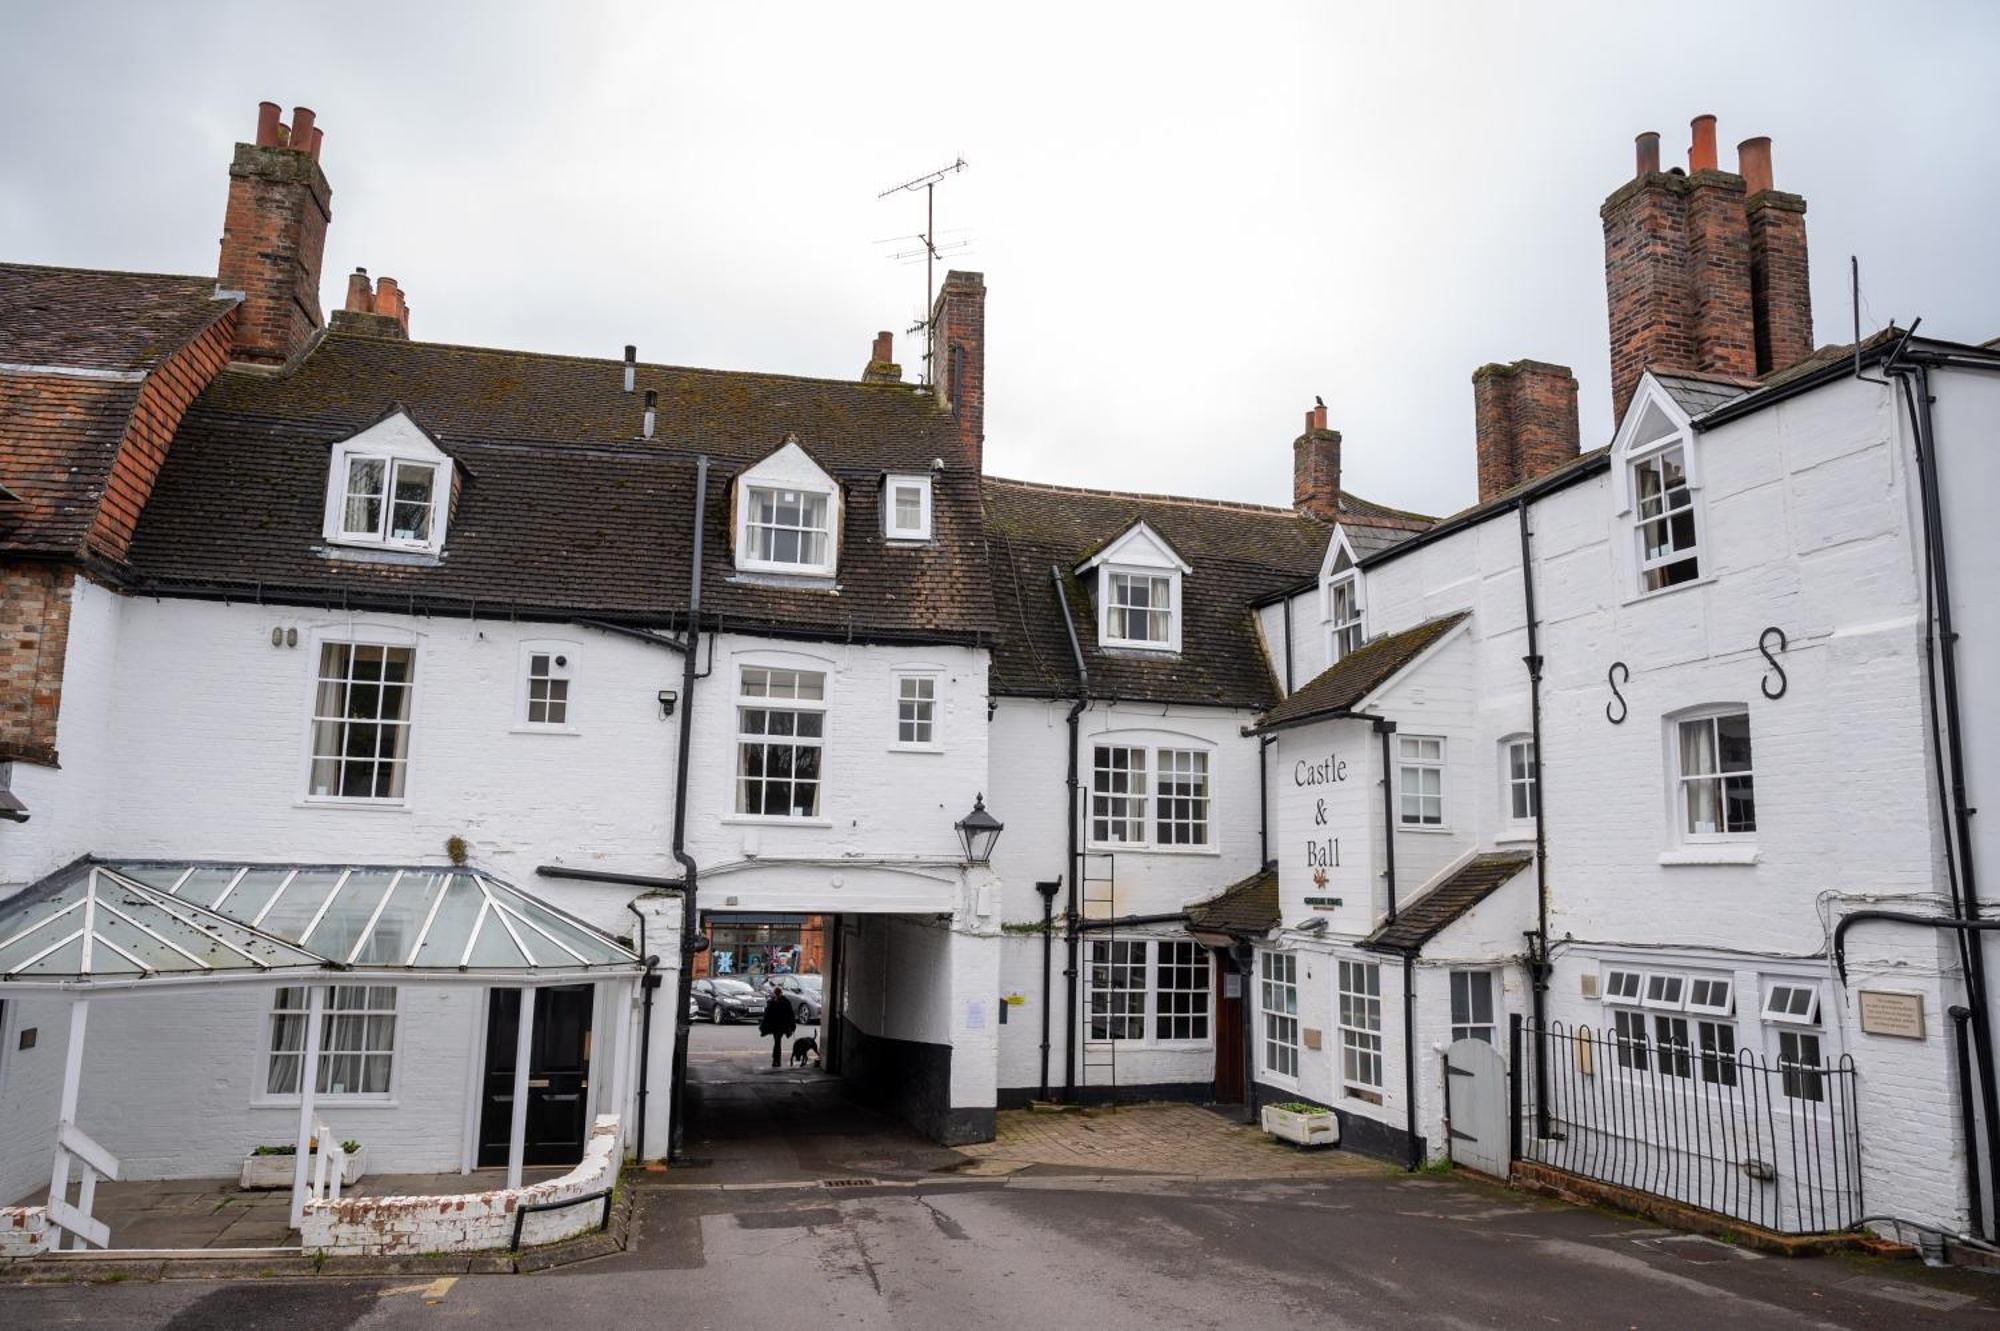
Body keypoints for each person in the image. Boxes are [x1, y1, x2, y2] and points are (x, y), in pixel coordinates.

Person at [758, 984, 797, 1068]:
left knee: (777, 1041)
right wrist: (792, 1026)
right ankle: (776, 1060)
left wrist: (763, 1026)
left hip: (777, 1026)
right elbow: (791, 1015)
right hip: (781, 1026)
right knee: (777, 1041)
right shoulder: (785, 1002)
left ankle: (776, 1060)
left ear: (775, 993)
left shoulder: (772, 1002)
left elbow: (767, 1016)